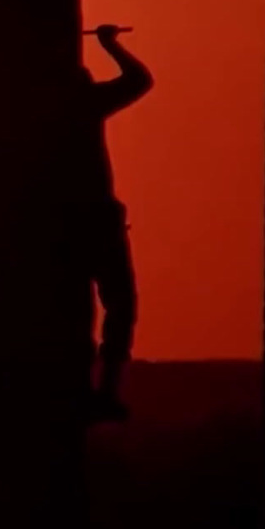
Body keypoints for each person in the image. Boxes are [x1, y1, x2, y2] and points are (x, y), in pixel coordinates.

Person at [70, 23, 154, 423]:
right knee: (117, 305)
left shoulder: (29, 109)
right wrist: (110, 45)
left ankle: (89, 389)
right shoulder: (84, 102)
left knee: (76, 309)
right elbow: (139, 80)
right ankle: (100, 389)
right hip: (94, 220)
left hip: (65, 223)